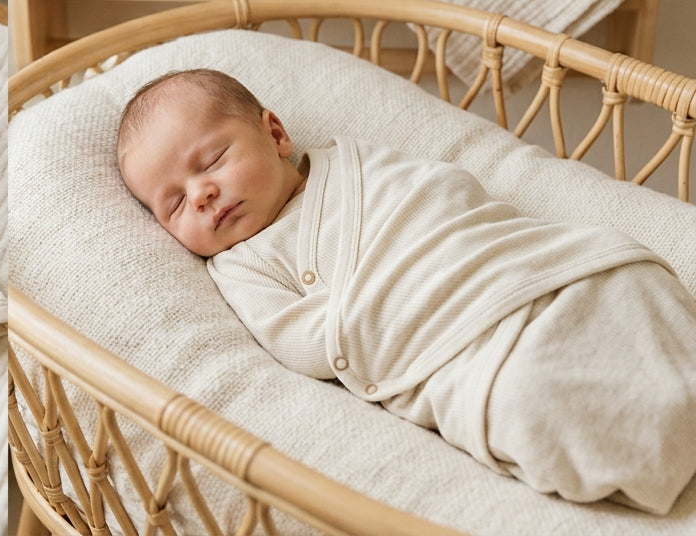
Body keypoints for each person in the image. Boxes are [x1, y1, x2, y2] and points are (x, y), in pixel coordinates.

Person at [116, 68, 696, 514]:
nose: (202, 195)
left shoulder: (357, 166)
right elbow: (303, 343)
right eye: (174, 202)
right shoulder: (243, 265)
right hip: (458, 350)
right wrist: (378, 308)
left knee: (625, 286)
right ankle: (658, 447)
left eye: (212, 160)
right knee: (529, 400)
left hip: (522, 271)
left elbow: (444, 193)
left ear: (275, 133)